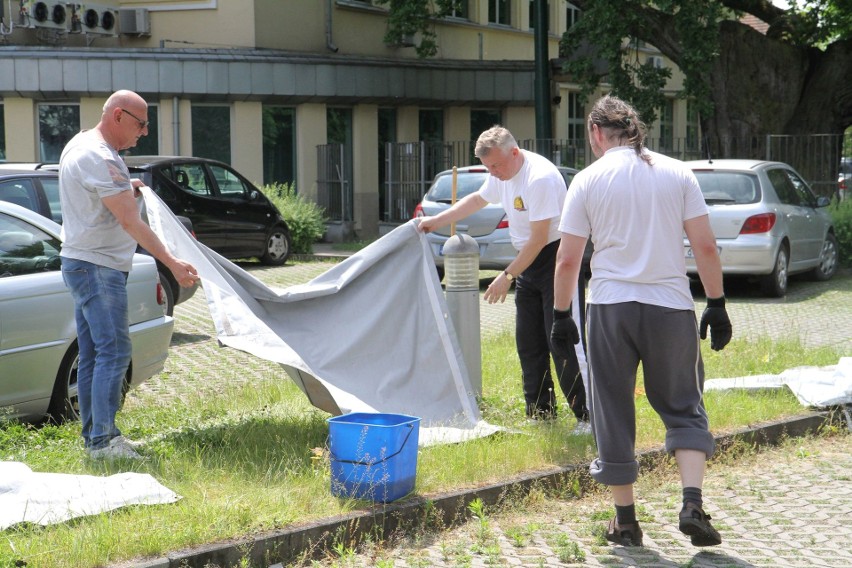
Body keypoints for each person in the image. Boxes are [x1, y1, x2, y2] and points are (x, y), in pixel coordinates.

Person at [550, 95, 732, 548]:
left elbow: (568, 258)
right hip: (669, 305)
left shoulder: (587, 180)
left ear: (596, 133)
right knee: (684, 404)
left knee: (611, 406)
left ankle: (626, 522)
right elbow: (705, 247)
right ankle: (691, 503)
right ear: (634, 129)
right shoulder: (678, 172)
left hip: (610, 307)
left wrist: (559, 315)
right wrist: (717, 303)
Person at [418, 125, 590, 432]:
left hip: (557, 258)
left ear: (514, 153)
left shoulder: (540, 178)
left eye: (495, 166)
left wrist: (507, 275)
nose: (492, 173)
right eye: (488, 167)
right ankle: (540, 415)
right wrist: (435, 222)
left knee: (562, 340)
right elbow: (476, 200)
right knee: (529, 342)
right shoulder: (502, 172)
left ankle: (588, 417)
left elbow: (539, 239)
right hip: (529, 259)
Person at [59, 90, 200, 460]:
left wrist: (127, 186)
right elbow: (129, 221)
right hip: (97, 268)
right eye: (141, 124)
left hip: (85, 263)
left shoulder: (83, 144)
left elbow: (103, 200)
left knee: (93, 353)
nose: (145, 132)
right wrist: (172, 262)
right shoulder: (101, 156)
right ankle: (104, 442)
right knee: (115, 351)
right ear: (118, 115)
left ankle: (96, 440)